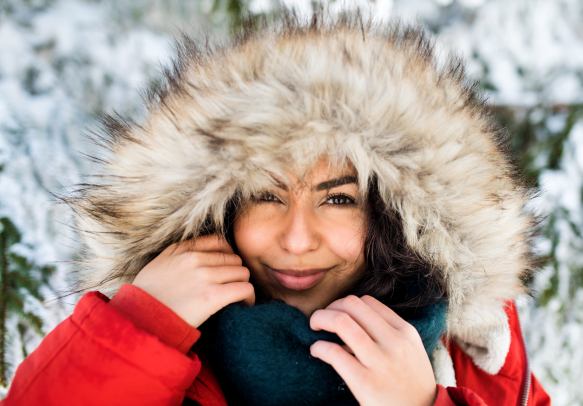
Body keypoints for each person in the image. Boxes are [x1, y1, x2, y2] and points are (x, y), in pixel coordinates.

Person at [1, 11, 551, 406]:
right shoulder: (157, 339)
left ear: (397, 218)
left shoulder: (473, 361)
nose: (295, 239)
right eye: (266, 194)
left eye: (338, 199)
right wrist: (140, 327)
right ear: (217, 211)